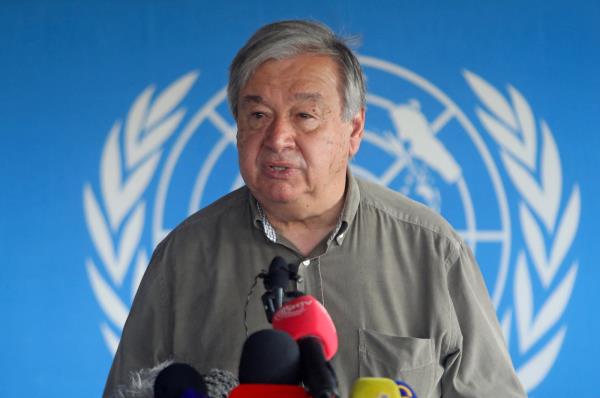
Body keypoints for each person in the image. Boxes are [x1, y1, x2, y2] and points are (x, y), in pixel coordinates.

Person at [104, 20, 526, 397]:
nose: (278, 138)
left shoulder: (433, 250)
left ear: (354, 129)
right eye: (257, 115)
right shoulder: (183, 256)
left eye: (305, 115)